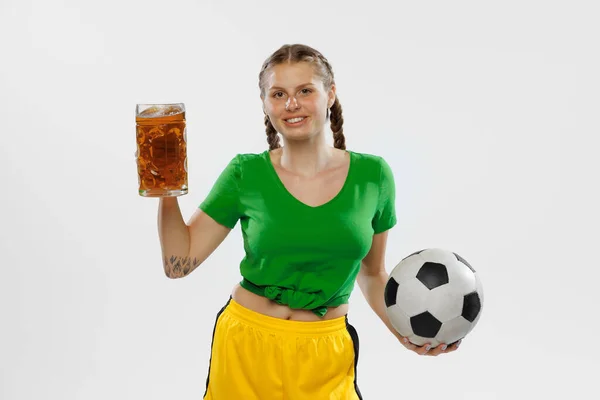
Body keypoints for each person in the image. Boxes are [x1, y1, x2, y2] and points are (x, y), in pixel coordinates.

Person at [157, 44, 459, 400]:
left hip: (325, 354)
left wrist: (405, 332)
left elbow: (373, 273)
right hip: (246, 347)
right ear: (265, 104)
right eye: (278, 94)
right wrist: (165, 187)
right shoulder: (245, 173)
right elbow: (179, 265)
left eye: (305, 91)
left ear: (330, 95)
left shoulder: (373, 176)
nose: (291, 104)